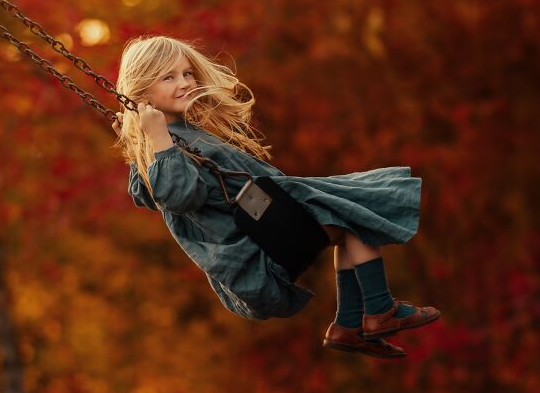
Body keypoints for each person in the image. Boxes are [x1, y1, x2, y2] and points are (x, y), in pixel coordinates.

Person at [112, 35, 440, 359]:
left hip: (269, 225)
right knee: (354, 214)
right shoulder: (164, 145)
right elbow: (177, 195)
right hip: (257, 250)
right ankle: (379, 310)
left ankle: (349, 325)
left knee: (350, 213)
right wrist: (152, 139)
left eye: (187, 73)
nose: (184, 82)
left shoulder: (177, 138)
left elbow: (156, 189)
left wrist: (147, 141)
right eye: (169, 77)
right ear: (141, 93)